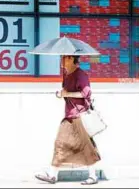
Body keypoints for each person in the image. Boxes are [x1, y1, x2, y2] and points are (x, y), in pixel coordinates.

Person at [35, 55, 101, 185]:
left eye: (64, 58)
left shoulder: (81, 75)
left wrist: (67, 94)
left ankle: (93, 176)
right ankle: (52, 175)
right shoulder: (67, 75)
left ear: (71, 59)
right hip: (69, 116)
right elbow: (67, 92)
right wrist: (61, 94)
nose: (61, 61)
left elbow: (85, 93)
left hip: (80, 116)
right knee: (60, 143)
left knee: (86, 147)